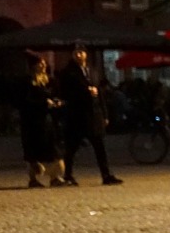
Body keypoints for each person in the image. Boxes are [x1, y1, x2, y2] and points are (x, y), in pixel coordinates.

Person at [58, 47, 122, 186]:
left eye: (81, 52)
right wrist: (85, 92)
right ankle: (68, 175)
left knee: (100, 146)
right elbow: (65, 93)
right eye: (76, 53)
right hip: (77, 116)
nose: (78, 55)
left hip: (94, 115)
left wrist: (105, 115)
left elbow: (100, 95)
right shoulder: (68, 73)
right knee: (72, 148)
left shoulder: (92, 71)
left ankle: (106, 175)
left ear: (86, 54)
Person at [17, 54, 64, 187]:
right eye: (40, 63)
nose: (43, 65)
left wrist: (58, 102)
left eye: (44, 63)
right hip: (31, 122)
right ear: (33, 66)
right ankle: (33, 179)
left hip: (48, 121)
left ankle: (54, 177)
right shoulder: (26, 82)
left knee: (52, 150)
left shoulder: (50, 81)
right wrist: (43, 103)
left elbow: (58, 95)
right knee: (33, 152)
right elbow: (24, 102)